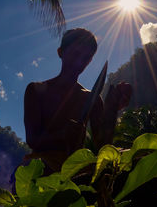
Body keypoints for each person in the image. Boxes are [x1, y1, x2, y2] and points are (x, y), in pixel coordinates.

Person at [23, 28, 132, 174]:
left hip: (75, 175)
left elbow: (103, 146)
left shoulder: (92, 99)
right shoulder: (36, 90)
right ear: (60, 52)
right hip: (40, 172)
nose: (79, 61)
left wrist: (112, 110)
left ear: (90, 61)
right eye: (75, 54)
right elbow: (32, 139)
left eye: (86, 57)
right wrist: (62, 135)